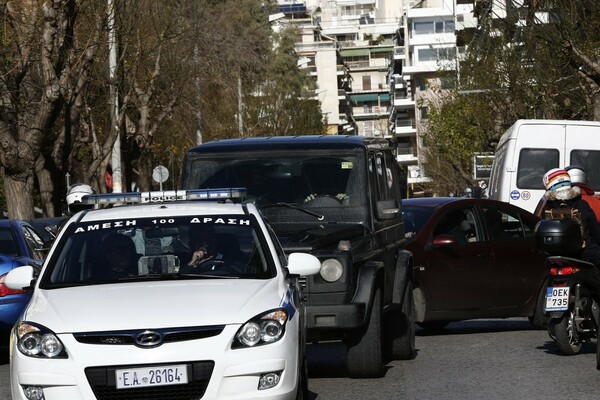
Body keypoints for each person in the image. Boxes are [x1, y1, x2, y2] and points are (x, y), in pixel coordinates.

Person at [540, 168, 600, 265]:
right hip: (585, 253)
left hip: (556, 255)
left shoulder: (547, 207)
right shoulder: (581, 204)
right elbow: (595, 232)